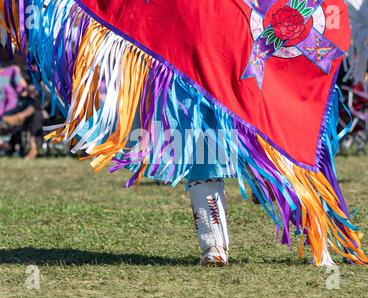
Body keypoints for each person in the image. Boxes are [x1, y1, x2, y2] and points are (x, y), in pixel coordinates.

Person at [1, 0, 367, 266]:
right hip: (196, 65)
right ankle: (215, 248)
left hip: (242, 57)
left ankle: (317, 241)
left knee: (274, 148)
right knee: (202, 154)